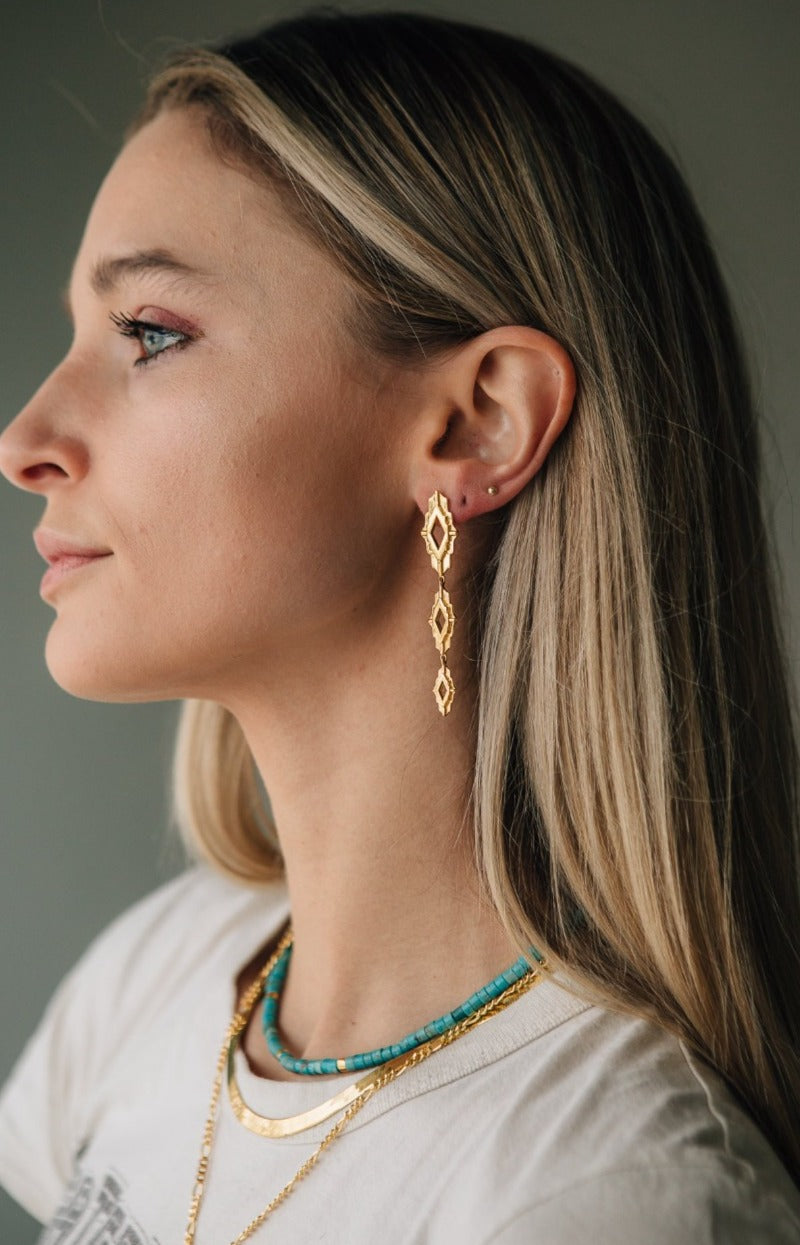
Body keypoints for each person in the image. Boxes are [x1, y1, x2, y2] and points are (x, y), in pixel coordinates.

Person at [0, 8, 798, 1242]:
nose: (25, 442)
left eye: (149, 333)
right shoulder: (156, 981)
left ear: (479, 423)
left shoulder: (598, 1197)